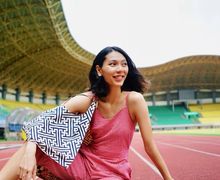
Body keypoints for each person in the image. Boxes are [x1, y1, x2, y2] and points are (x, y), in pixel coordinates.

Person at [0, 46, 173, 180]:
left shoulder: (135, 100)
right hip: (81, 167)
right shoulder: (88, 99)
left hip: (112, 173)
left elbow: (149, 146)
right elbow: (41, 122)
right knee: (29, 149)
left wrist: (168, 178)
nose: (120, 69)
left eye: (124, 64)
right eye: (113, 64)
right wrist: (29, 153)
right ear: (99, 70)